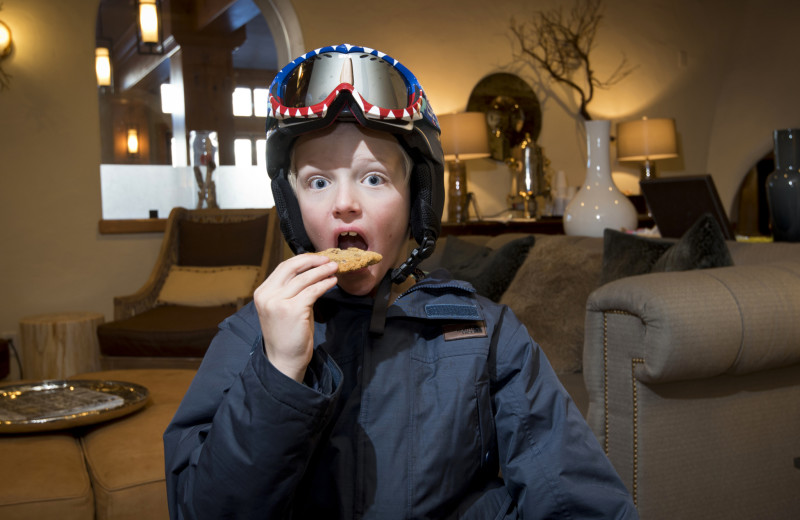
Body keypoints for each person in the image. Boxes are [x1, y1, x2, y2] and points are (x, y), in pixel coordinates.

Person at [163, 44, 638, 519]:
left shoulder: (486, 336)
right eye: (318, 182)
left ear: (416, 200)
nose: (344, 203)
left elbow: (577, 499)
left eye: (373, 179)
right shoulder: (248, 336)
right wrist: (278, 372)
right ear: (293, 207)